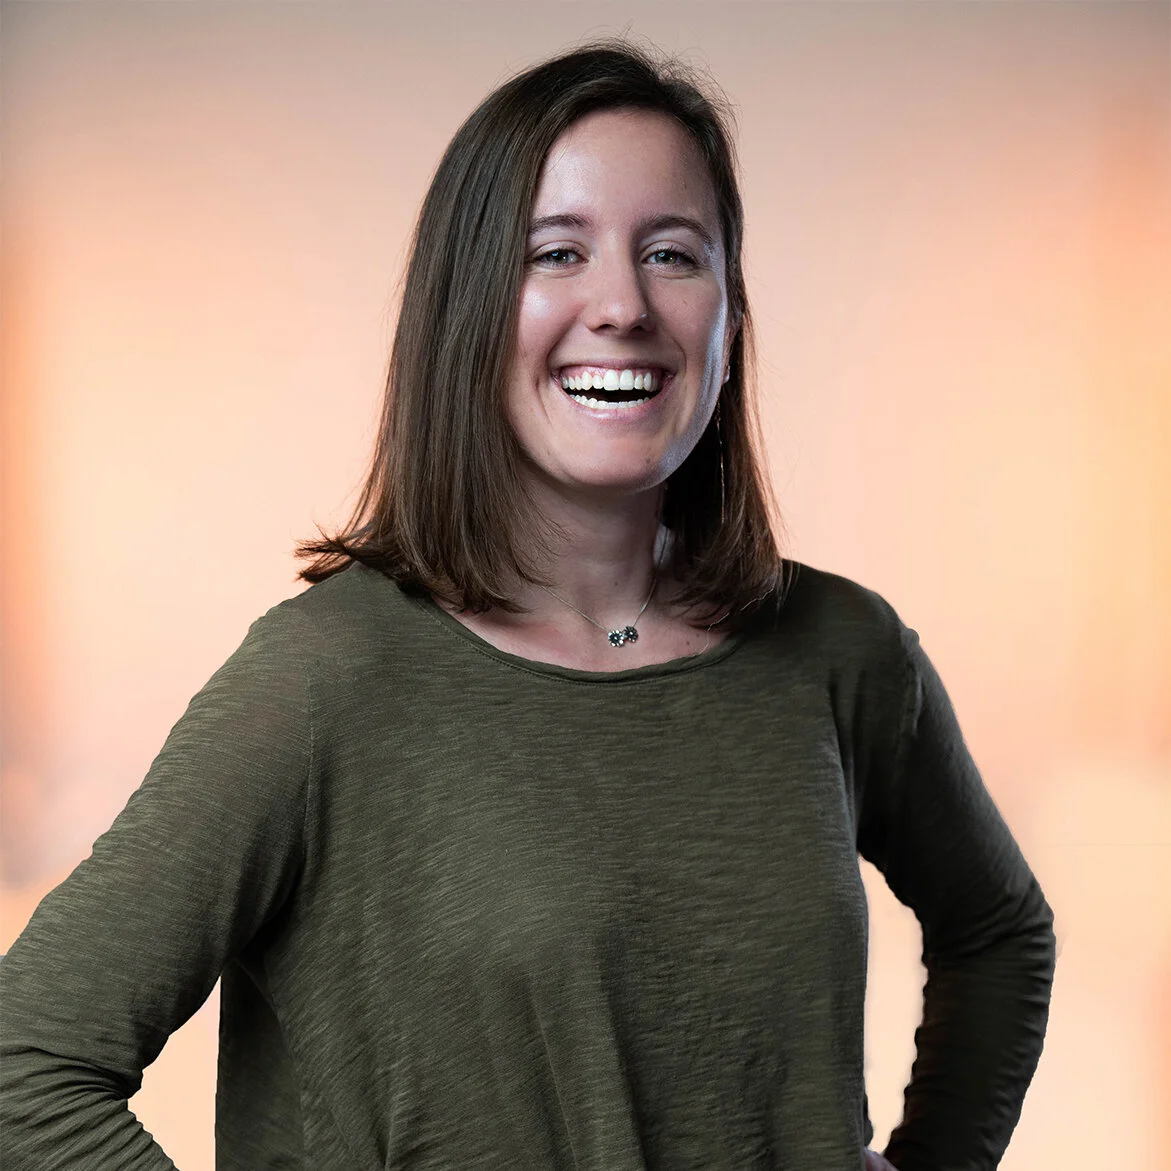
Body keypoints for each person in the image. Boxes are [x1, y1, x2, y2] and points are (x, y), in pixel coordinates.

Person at [0, 39, 1056, 1171]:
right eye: (555, 253)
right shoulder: (328, 681)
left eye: (672, 254)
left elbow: (999, 934)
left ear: (729, 318)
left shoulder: (843, 654)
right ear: (464, 313)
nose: (622, 306)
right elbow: (28, 1064)